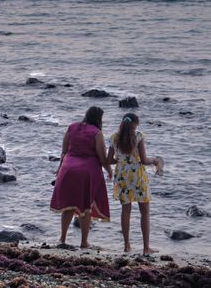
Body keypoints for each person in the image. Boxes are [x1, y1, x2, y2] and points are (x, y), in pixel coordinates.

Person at [50, 106, 112, 248]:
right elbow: (102, 158)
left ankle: (62, 238)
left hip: (68, 169)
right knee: (85, 207)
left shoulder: (72, 127)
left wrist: (60, 168)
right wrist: (109, 170)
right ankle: (84, 242)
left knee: (68, 206)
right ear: (99, 119)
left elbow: (64, 151)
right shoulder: (97, 133)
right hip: (86, 172)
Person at [107, 113, 159, 255]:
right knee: (145, 212)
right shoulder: (138, 136)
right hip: (138, 177)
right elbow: (143, 160)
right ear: (135, 124)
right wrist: (155, 160)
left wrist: (120, 160)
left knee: (126, 210)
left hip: (122, 176)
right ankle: (146, 248)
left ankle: (126, 246)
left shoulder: (114, 137)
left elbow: (108, 160)